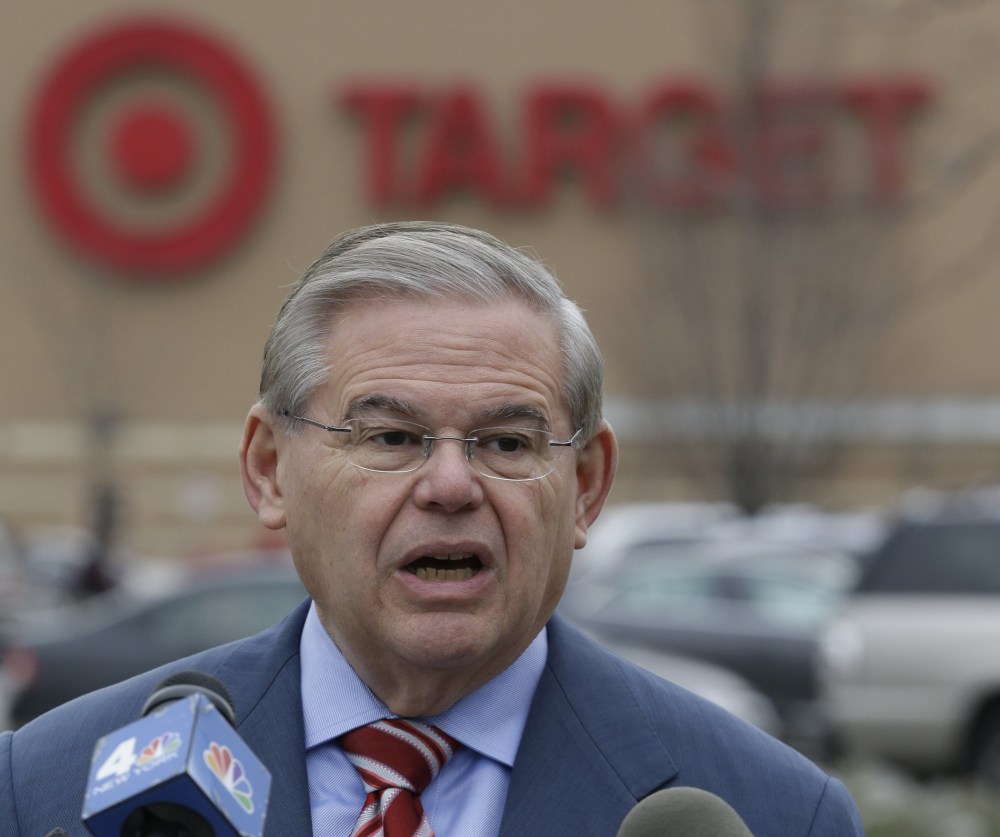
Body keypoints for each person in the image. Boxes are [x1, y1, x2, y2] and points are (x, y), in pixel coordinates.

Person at [0, 221, 865, 835]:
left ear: (587, 484)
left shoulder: (772, 813)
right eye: (391, 437)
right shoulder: (47, 786)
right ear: (269, 469)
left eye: (505, 441)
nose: (451, 484)